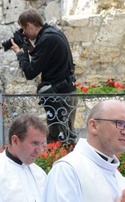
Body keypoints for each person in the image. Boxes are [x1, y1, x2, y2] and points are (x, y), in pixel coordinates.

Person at [10, 8, 77, 145]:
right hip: (66, 92)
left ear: (29, 25)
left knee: (58, 139)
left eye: (23, 29)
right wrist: (29, 48)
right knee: (66, 136)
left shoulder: (46, 39)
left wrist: (19, 53)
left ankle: (58, 164)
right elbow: (43, 58)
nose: (24, 34)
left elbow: (30, 72)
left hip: (59, 96)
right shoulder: (52, 33)